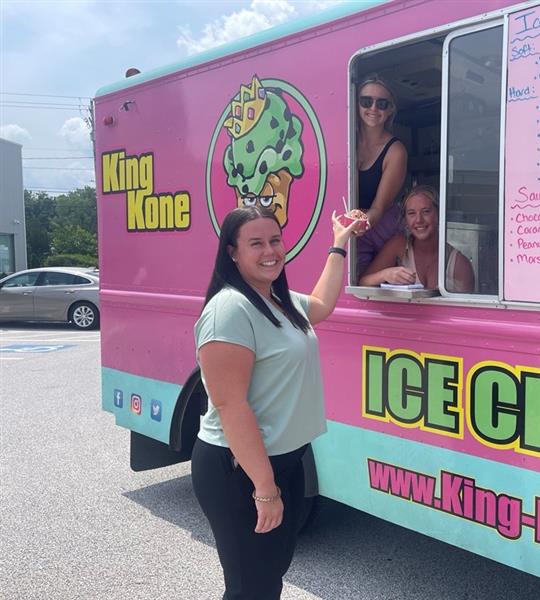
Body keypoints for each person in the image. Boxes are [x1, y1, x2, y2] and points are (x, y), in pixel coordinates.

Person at [191, 205, 357, 600]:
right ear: (232, 252)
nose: (270, 251)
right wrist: (264, 489)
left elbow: (323, 304)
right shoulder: (230, 310)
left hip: (286, 460)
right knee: (252, 588)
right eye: (256, 244)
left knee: (270, 576)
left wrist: (339, 243)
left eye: (275, 240)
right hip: (237, 470)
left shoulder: (278, 300)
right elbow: (231, 407)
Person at [359, 185, 475, 293]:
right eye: (411, 213)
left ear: (439, 214)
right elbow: (363, 283)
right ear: (405, 220)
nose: (419, 220)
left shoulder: (459, 263)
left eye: (426, 212)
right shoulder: (398, 245)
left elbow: (466, 312)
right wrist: (384, 275)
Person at [355, 75, 408, 275]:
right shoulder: (346, 139)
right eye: (366, 101)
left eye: (382, 103)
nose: (373, 109)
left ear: (391, 109)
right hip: (352, 228)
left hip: (381, 231)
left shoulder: (396, 151)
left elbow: (378, 209)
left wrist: (359, 225)